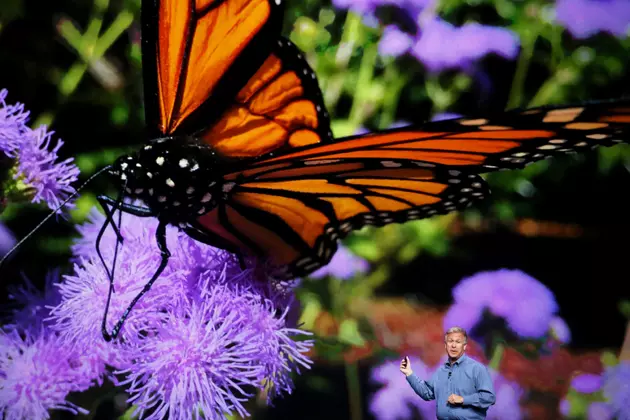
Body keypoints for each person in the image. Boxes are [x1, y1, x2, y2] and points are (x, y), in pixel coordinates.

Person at [400, 326, 496, 419]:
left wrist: (463, 400)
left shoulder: (477, 369)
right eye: (429, 346)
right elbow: (427, 393)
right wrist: (409, 374)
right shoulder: (440, 371)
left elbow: (488, 398)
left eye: (457, 342)